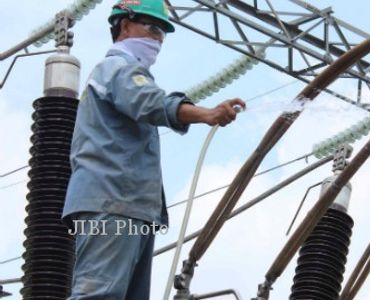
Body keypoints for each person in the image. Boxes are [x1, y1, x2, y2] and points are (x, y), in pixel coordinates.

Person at [62, 0, 245, 298]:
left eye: (163, 32)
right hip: (112, 204)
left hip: (129, 208)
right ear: (124, 25)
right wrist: (206, 114)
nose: (158, 39)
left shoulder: (115, 75)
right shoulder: (117, 69)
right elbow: (150, 102)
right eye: (153, 28)